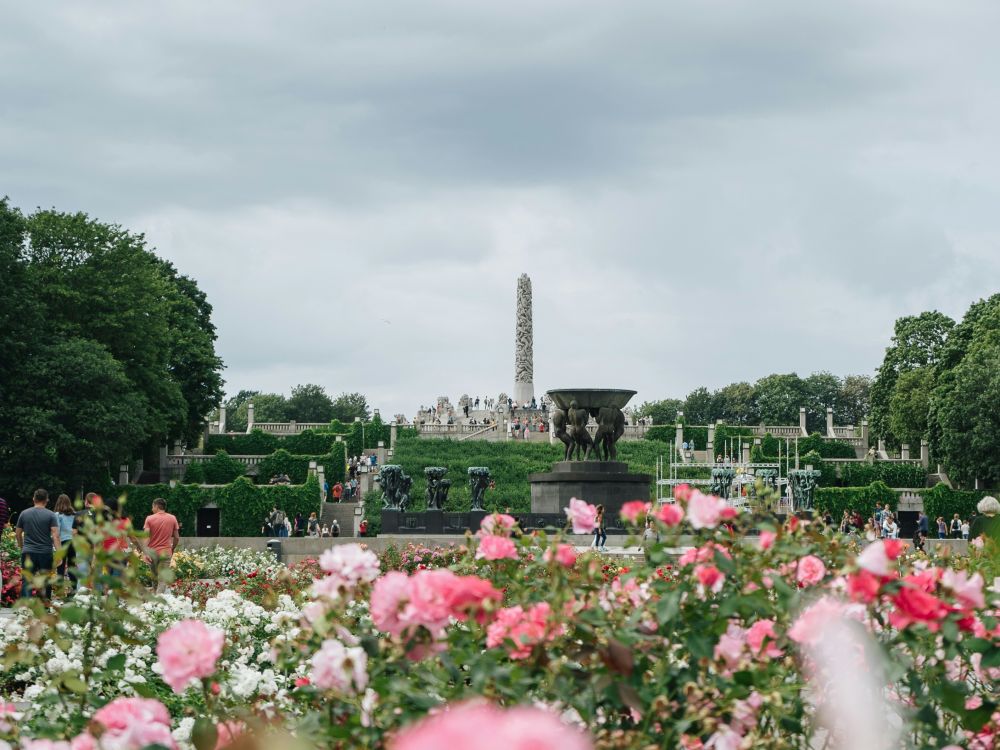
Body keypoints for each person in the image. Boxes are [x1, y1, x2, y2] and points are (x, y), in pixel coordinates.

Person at [16, 489, 61, 599]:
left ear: (33, 499)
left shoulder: (24, 513)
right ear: (47, 500)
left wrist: (22, 547)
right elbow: (55, 536)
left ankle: (25, 608)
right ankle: (45, 606)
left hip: (28, 551)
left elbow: (18, 534)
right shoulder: (51, 515)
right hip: (45, 552)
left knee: (27, 580)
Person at [143, 498, 179, 593]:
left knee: (154, 576)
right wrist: (172, 548)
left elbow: (146, 537)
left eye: (152, 506)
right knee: (162, 579)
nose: (152, 509)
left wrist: (145, 552)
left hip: (152, 553)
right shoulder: (172, 518)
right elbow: (176, 537)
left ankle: (155, 599)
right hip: (166, 552)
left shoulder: (149, 518)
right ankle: (158, 601)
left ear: (156, 506)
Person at [54, 494, 77, 585]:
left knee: (60, 566)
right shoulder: (74, 514)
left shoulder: (57, 515)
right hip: (73, 542)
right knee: (72, 567)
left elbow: (57, 532)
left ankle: (60, 590)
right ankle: (74, 589)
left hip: (62, 542)